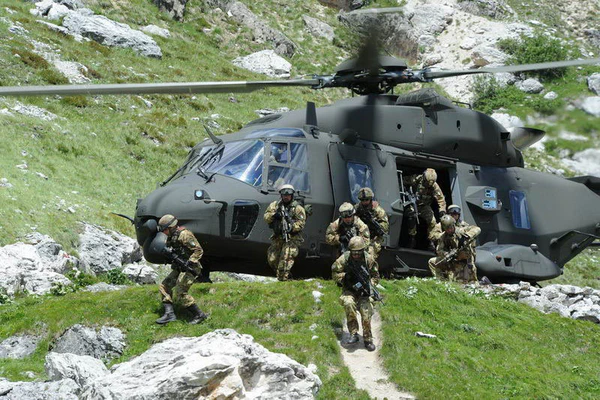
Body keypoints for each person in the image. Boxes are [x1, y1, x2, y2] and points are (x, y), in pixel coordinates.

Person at [156, 214, 208, 325]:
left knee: (180, 292)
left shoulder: (185, 235)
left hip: (191, 268)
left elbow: (198, 250)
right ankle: (169, 314)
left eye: (165, 229)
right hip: (179, 267)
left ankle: (199, 315)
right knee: (164, 286)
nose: (164, 232)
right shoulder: (171, 236)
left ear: (171, 227)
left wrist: (190, 262)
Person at [331, 236, 380, 351]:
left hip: (364, 292)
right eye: (354, 252)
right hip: (349, 290)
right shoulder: (345, 258)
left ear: (363, 250)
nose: (356, 255)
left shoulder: (369, 260)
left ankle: (368, 339)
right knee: (348, 303)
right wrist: (345, 277)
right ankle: (353, 333)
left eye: (358, 252)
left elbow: (376, 276)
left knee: (366, 311)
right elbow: (334, 272)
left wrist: (368, 285)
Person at [263, 184, 306, 281]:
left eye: (288, 195)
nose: (286, 197)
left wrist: (291, 227)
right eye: (284, 195)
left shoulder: (298, 208)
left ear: (292, 195)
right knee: (272, 259)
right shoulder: (275, 205)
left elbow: (301, 223)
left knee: (285, 259)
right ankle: (284, 275)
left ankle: (283, 279)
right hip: (278, 236)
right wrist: (274, 215)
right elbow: (266, 217)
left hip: (291, 238)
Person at [428, 214, 481, 283]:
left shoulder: (461, 231)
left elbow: (477, 229)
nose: (449, 230)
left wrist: (466, 236)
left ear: (453, 225)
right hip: (452, 260)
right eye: (447, 229)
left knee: (469, 282)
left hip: (465, 260)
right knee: (432, 262)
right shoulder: (443, 237)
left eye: (451, 227)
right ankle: (441, 282)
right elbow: (439, 250)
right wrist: (447, 254)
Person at [403, 168, 447, 249]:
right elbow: (404, 180)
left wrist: (442, 211)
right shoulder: (417, 179)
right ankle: (411, 238)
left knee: (432, 221)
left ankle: (432, 241)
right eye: (427, 182)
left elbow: (441, 199)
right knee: (411, 216)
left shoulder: (434, 186)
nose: (428, 185)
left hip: (424, 206)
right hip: (413, 204)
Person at [354, 187, 389, 260]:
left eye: (367, 199)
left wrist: (374, 225)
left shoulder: (378, 210)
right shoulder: (357, 208)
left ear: (370, 199)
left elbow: (385, 227)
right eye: (362, 200)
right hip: (360, 234)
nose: (364, 202)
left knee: (369, 255)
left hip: (374, 237)